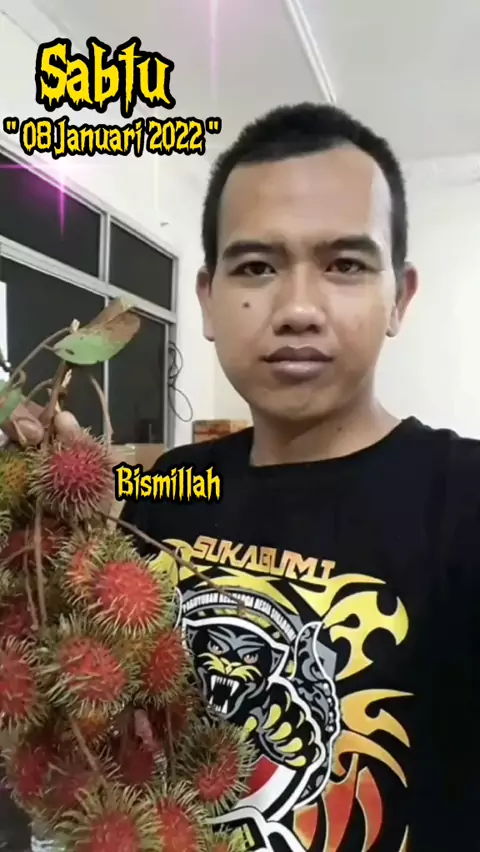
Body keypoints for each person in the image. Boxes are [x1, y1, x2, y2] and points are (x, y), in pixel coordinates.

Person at [122, 103, 480, 852]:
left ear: (400, 296)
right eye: (257, 266)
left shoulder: (463, 500)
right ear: (208, 300)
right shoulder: (173, 484)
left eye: (345, 264)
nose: (297, 309)